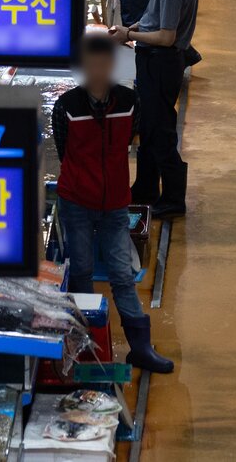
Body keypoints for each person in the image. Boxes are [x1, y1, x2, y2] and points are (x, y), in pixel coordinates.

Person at [52, 34, 175, 374]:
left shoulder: (130, 102)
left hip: (116, 203)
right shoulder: (66, 107)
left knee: (122, 274)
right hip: (76, 200)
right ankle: (85, 345)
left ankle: (141, 347)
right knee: (81, 272)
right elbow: (65, 153)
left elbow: (130, 141)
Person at [109, 0, 199, 218]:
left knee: (159, 134)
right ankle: (146, 188)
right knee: (149, 128)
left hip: (161, 64)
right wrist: (135, 27)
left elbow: (166, 37)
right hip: (157, 63)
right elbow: (157, 20)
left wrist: (129, 36)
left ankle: (173, 199)